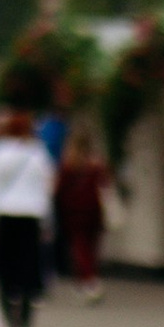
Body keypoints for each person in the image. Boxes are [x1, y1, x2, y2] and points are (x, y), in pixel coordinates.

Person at [0, 107, 53, 327]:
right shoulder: (38, 152)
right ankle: (27, 309)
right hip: (31, 213)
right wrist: (46, 218)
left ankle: (7, 304)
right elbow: (45, 186)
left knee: (5, 261)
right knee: (29, 261)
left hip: (4, 212)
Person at [53, 125, 111, 302]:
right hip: (94, 209)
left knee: (79, 246)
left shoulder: (68, 164)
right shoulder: (97, 163)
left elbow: (59, 188)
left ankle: (88, 280)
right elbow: (106, 184)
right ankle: (88, 278)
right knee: (92, 246)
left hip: (73, 210)